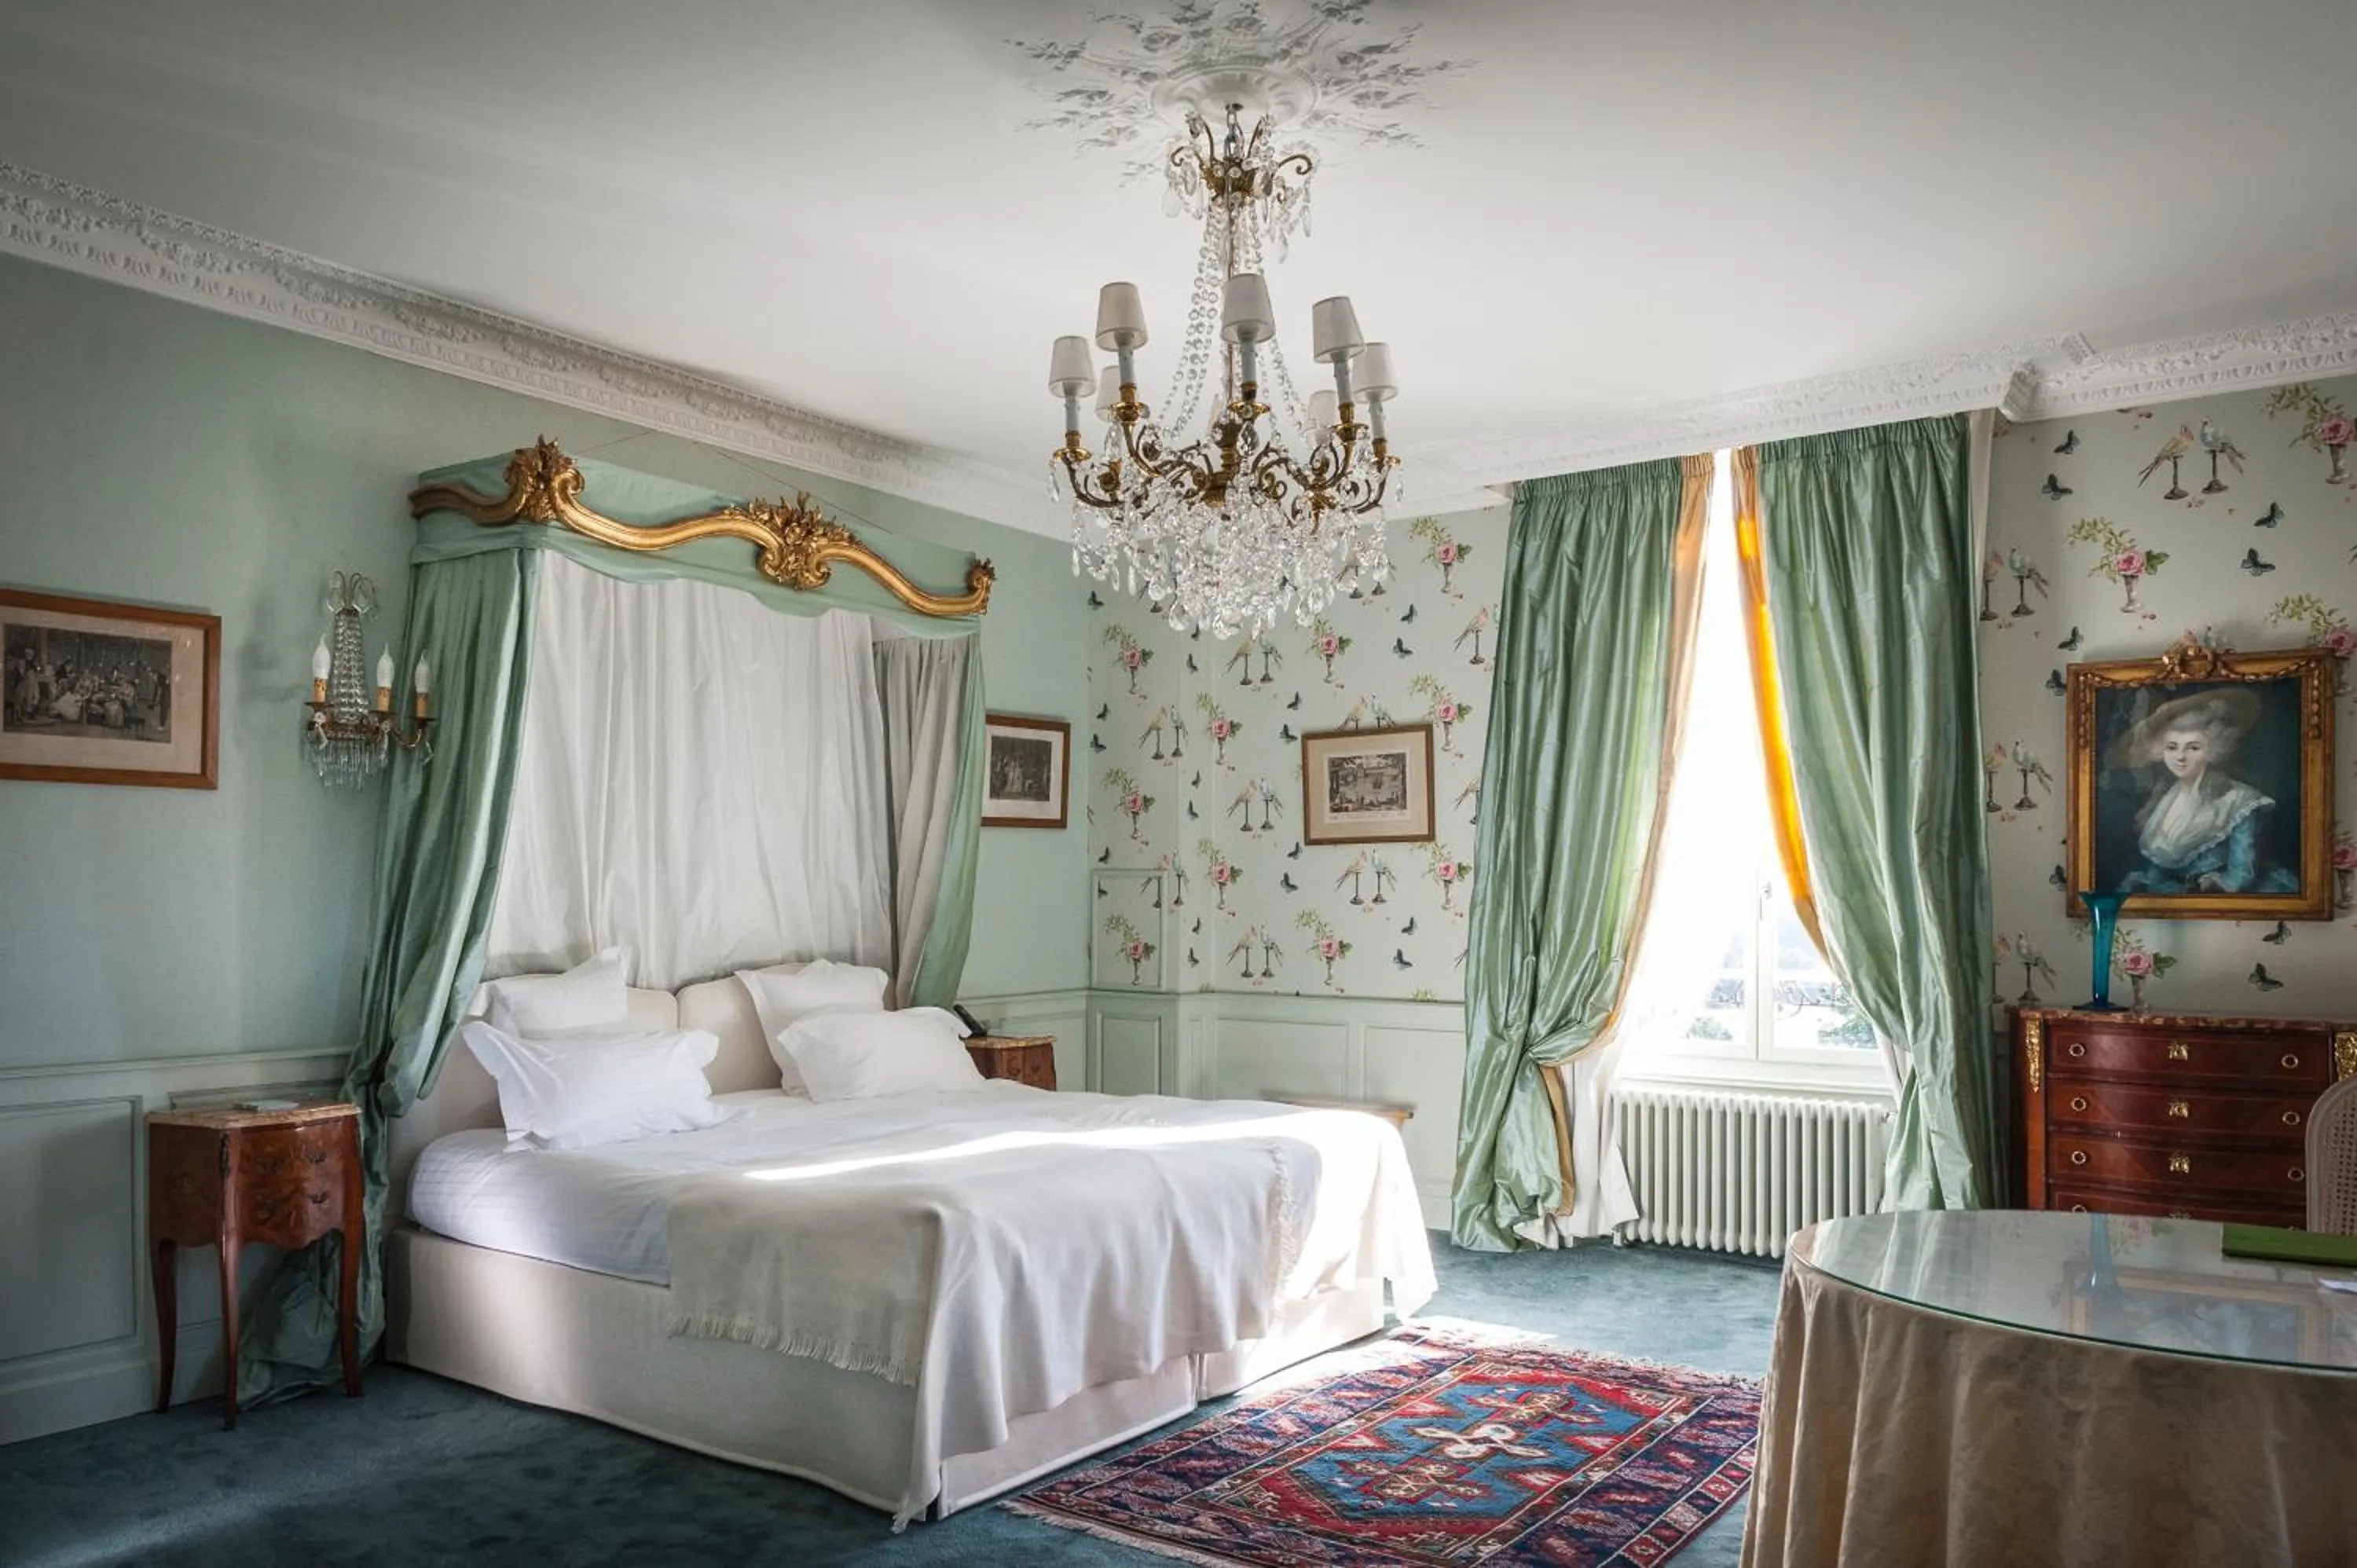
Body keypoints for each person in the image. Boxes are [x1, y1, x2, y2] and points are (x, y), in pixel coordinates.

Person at [2113, 690, 2297, 896]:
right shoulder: (2163, 798)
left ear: (2213, 750)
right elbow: (2159, 868)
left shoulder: (2239, 799)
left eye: (2193, 748)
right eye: (2172, 747)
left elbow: (2240, 877)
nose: (2180, 757)